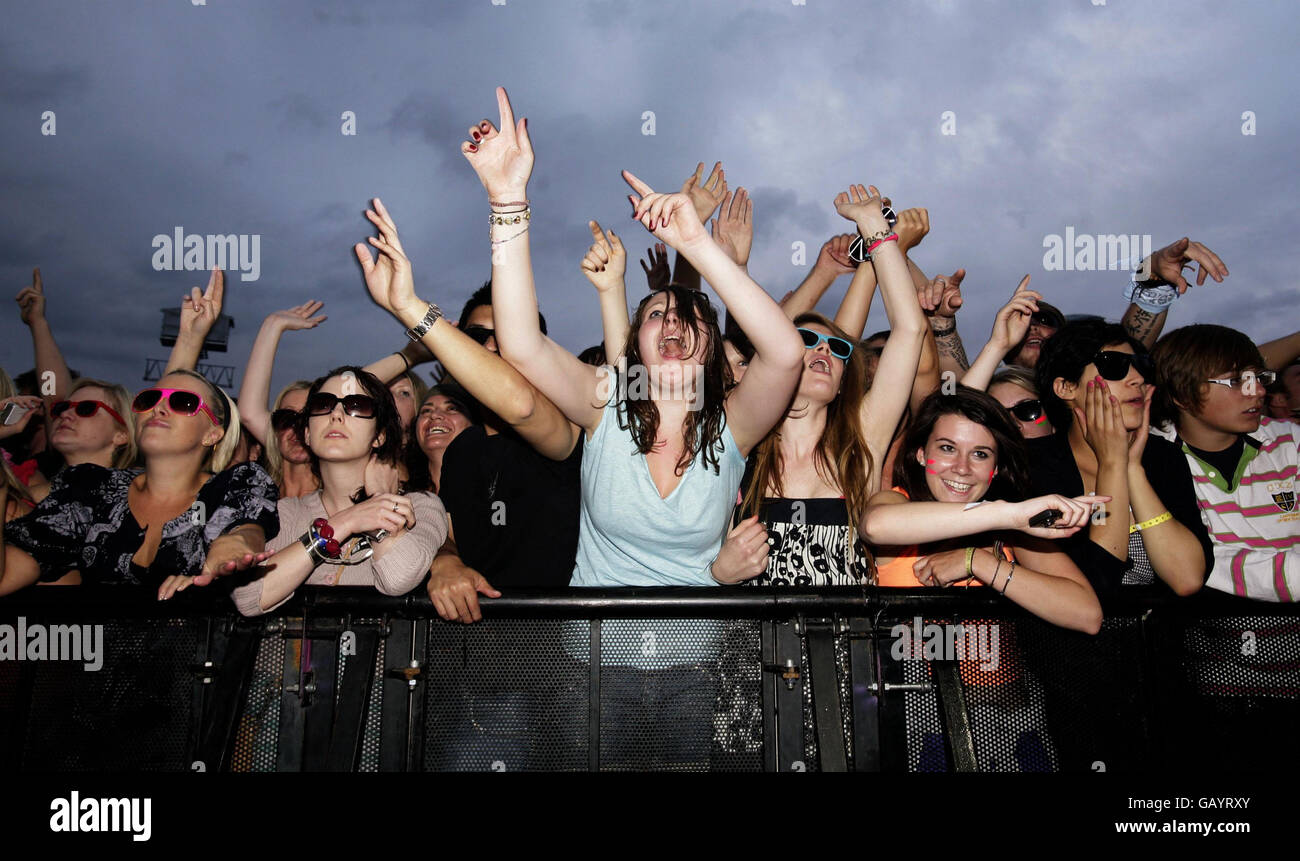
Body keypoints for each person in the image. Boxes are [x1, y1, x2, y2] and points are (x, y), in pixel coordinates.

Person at [714, 184, 928, 588]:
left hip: (848, 649)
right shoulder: (741, 447)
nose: (823, 352)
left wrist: (875, 229)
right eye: (807, 341)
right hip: (752, 647)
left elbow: (910, 330)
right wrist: (718, 572)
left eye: (837, 349)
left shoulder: (863, 441)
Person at [1, 370, 278, 599]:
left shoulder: (232, 486)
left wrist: (235, 547)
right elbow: (6, 577)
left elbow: (246, 529)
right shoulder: (91, 489)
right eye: (149, 399)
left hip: (193, 662)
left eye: (183, 402)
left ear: (212, 434)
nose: (159, 408)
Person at [860, 387, 1104, 632]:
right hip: (907, 668)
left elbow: (1088, 616)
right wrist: (1006, 514)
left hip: (995, 670)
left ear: (996, 468)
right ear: (921, 454)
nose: (962, 468)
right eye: (947, 448)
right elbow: (875, 526)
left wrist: (978, 562)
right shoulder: (896, 501)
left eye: (980, 454)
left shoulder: (1009, 531)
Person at [230, 367, 445, 615]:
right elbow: (248, 598)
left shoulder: (420, 505)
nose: (337, 414)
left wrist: (380, 503)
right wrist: (344, 523)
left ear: (380, 436)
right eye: (324, 404)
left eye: (358, 405)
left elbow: (400, 578)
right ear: (308, 434)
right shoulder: (284, 513)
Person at [1032, 320, 1212, 596]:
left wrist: (1133, 470)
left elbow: (1186, 578)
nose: (1137, 378)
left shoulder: (1164, 457)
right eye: (1114, 365)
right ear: (1066, 387)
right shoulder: (1031, 463)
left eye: (1140, 364)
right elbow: (1098, 584)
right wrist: (1113, 465)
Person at [1150, 324, 1298, 600]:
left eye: (1258, 377)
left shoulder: (1290, 441)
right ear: (1182, 395)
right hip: (1214, 635)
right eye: (1235, 381)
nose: (1258, 391)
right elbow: (1205, 561)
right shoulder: (1153, 459)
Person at [237, 303, 327, 498]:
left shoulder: (341, 495)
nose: (297, 427)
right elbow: (249, 413)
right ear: (275, 430)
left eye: (308, 418)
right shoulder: (255, 498)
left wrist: (405, 309)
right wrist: (273, 325)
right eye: (287, 418)